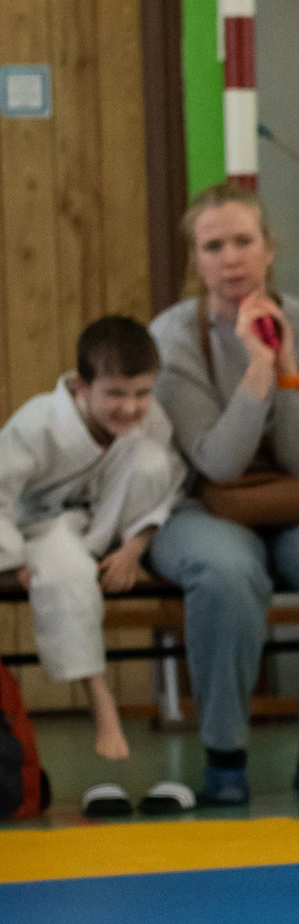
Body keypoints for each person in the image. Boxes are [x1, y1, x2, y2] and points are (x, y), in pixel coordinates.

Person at [149, 187, 299, 804]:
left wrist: (286, 362)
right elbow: (217, 461)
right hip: (201, 503)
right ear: (195, 259)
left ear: (270, 249)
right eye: (213, 246)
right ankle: (225, 755)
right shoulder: (172, 336)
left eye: (243, 241)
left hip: (296, 500)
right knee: (226, 572)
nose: (230, 258)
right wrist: (258, 369)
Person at [0, 316, 180, 791]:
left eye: (142, 392)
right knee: (68, 573)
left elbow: (162, 488)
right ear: (81, 385)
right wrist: (14, 560)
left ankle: (95, 557)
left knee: (152, 459)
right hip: (38, 528)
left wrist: (134, 549)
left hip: (109, 529)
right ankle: (101, 700)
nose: (130, 406)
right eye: (115, 393)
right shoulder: (38, 422)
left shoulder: (151, 420)